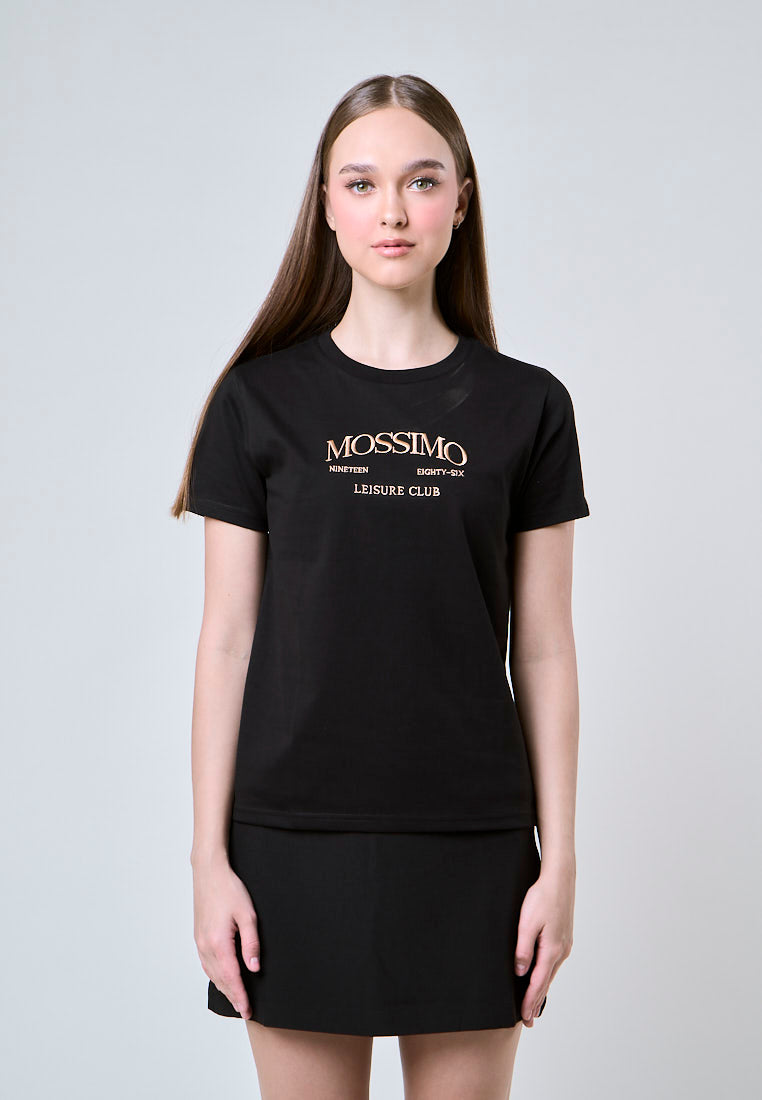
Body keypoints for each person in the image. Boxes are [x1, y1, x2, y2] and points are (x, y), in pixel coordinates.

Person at [172, 72, 590, 1100]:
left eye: (422, 180)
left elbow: (543, 647)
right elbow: (226, 640)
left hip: (475, 844)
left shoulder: (528, 407)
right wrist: (208, 860)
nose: (392, 210)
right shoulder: (257, 401)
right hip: (289, 844)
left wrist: (561, 862)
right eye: (361, 183)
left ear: (462, 201)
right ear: (326, 205)